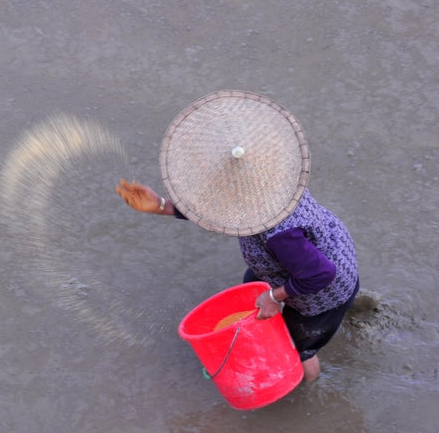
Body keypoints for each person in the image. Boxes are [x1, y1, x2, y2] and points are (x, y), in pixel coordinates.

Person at [116, 90, 359, 382]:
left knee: (298, 347)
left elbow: (320, 274)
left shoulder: (280, 235)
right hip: (327, 244)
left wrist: (273, 296)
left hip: (325, 287)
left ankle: (307, 390)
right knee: (252, 287)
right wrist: (160, 206)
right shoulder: (273, 176)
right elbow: (216, 208)